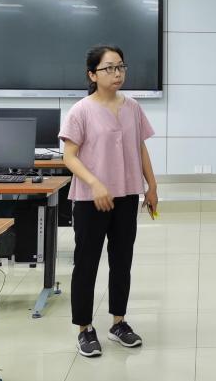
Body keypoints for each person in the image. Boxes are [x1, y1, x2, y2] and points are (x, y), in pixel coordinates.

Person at [60, 44, 158, 358]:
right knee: (86, 263)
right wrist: (95, 184)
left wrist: (151, 186)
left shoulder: (133, 108)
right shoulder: (81, 111)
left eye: (120, 67)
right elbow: (69, 157)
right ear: (92, 74)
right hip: (91, 199)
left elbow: (140, 147)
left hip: (127, 195)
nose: (117, 74)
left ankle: (119, 322)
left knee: (122, 260)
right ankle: (84, 328)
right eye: (109, 68)